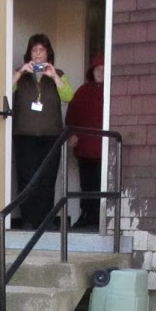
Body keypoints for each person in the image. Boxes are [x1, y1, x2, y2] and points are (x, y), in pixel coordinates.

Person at [12, 33, 74, 230]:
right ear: (29, 54)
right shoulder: (20, 75)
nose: (38, 54)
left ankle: (45, 220)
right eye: (34, 50)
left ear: (48, 53)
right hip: (25, 136)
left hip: (51, 136)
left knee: (48, 179)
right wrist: (20, 72)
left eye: (42, 50)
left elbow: (69, 96)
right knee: (27, 177)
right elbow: (3, 91)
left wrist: (54, 76)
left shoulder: (58, 73)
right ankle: (29, 220)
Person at [67, 54, 105, 229]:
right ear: (92, 71)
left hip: (104, 148)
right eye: (98, 68)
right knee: (86, 183)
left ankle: (99, 218)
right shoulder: (83, 91)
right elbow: (72, 116)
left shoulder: (111, 91)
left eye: (104, 69)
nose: (100, 72)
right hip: (85, 148)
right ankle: (87, 215)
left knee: (100, 183)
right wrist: (72, 134)